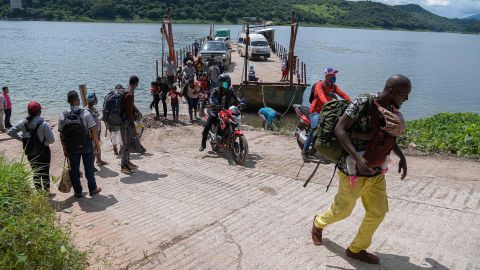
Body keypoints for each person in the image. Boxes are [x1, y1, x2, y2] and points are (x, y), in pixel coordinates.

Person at [311, 75, 411, 265]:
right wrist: (357, 157)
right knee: (342, 212)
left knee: (378, 212)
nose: (406, 99)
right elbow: (340, 129)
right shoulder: (363, 102)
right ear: (391, 91)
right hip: (353, 173)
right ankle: (318, 223)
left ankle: (356, 249)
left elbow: (386, 138)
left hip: (376, 174)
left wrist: (402, 157)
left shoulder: (391, 110)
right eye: (404, 94)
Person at [58, 91, 102, 198]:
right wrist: (97, 144)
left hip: (71, 147)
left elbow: (62, 134)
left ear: (68, 101)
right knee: (89, 168)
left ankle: (78, 192)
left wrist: (64, 149)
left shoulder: (63, 115)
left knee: (74, 169)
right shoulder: (85, 113)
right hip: (86, 145)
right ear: (78, 100)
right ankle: (92, 189)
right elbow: (93, 130)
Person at [302, 67, 351, 162]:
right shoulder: (319, 85)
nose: (334, 77)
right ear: (326, 76)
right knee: (315, 130)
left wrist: (352, 103)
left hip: (327, 110)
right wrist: (329, 104)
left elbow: (342, 94)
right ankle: (305, 152)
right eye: (332, 75)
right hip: (316, 111)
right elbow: (321, 97)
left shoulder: (333, 86)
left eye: (334, 75)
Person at [8, 101, 55, 192]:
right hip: (43, 151)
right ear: (39, 112)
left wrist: (21, 138)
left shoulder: (22, 122)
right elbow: (52, 140)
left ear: (28, 112)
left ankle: (39, 192)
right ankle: (46, 194)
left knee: (36, 172)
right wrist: (44, 141)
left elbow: (10, 132)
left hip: (30, 150)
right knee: (45, 172)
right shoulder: (44, 124)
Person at [199, 74, 243, 151]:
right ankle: (203, 144)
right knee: (208, 124)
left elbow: (236, 96)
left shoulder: (230, 91)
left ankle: (228, 137)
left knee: (234, 121)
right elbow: (211, 98)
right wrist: (213, 104)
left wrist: (240, 102)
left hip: (226, 110)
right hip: (216, 110)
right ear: (220, 83)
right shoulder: (215, 90)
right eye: (224, 83)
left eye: (227, 83)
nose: (226, 85)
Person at [119, 75, 139, 175]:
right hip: (125, 123)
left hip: (123, 122)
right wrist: (134, 127)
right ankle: (123, 166)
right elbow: (129, 113)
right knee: (126, 144)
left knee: (127, 143)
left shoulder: (125, 90)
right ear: (135, 83)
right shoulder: (130, 94)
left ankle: (127, 162)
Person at [86, 91, 108, 168]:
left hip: (97, 133)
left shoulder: (93, 109)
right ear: (93, 100)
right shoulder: (87, 111)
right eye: (95, 98)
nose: (97, 99)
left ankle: (99, 160)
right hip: (92, 134)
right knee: (93, 149)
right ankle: (92, 166)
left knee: (98, 146)